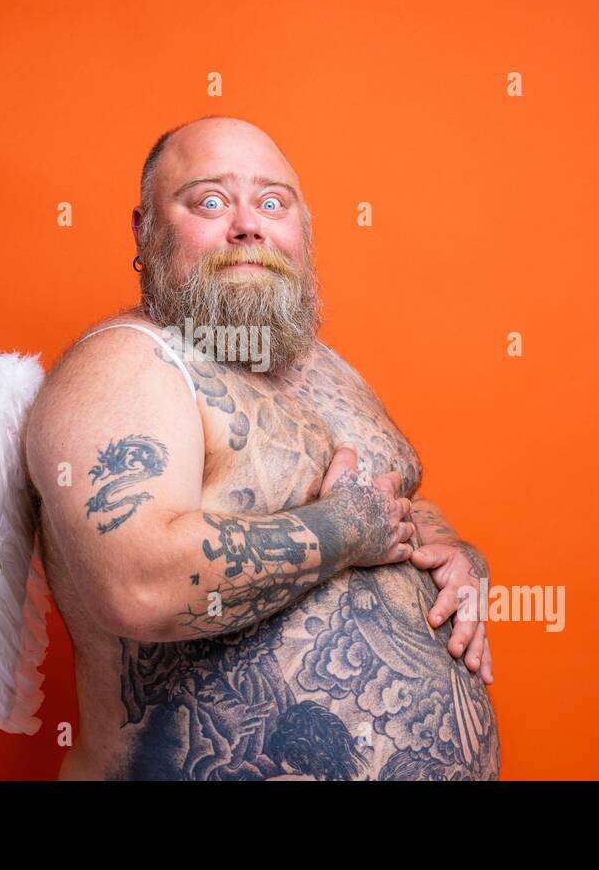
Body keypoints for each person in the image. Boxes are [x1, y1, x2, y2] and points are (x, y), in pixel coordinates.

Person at [25, 115, 499, 780]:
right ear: (143, 229)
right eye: (210, 201)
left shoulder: (326, 372)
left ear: (301, 230)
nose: (248, 224)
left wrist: (457, 556)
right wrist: (341, 528)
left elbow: (397, 503)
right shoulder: (126, 370)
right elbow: (136, 582)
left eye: (272, 202)